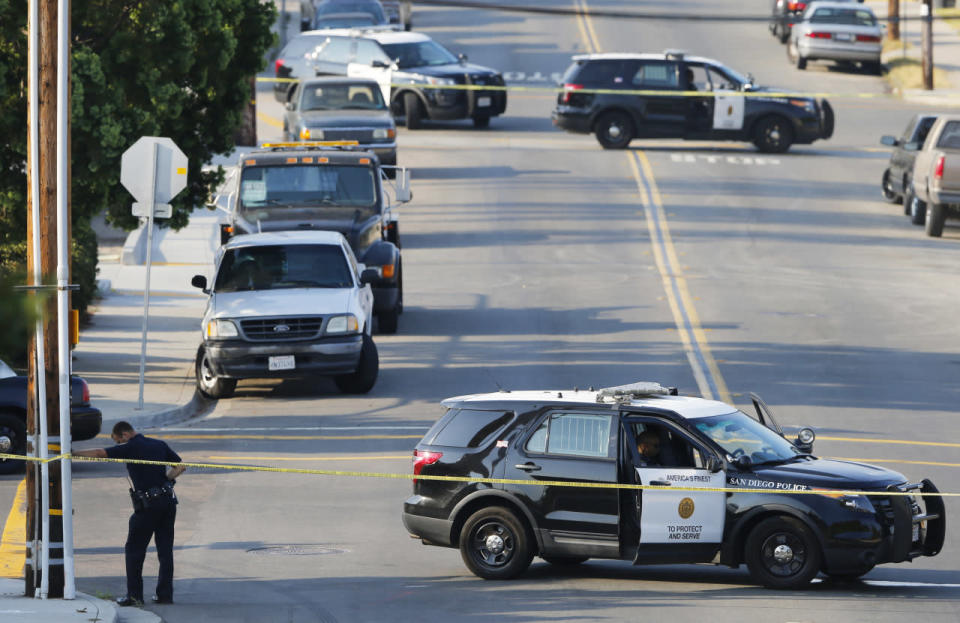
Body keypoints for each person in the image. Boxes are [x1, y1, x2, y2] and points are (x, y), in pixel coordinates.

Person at [74, 421, 185, 607]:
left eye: (118, 441)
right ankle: (165, 595)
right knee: (165, 551)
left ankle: (134, 597)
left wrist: (73, 454)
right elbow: (180, 467)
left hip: (148, 506)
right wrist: (163, 481)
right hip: (168, 503)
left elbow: (100, 453)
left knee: (134, 550)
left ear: (124, 435)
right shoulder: (159, 444)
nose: (119, 445)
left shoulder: (130, 446)